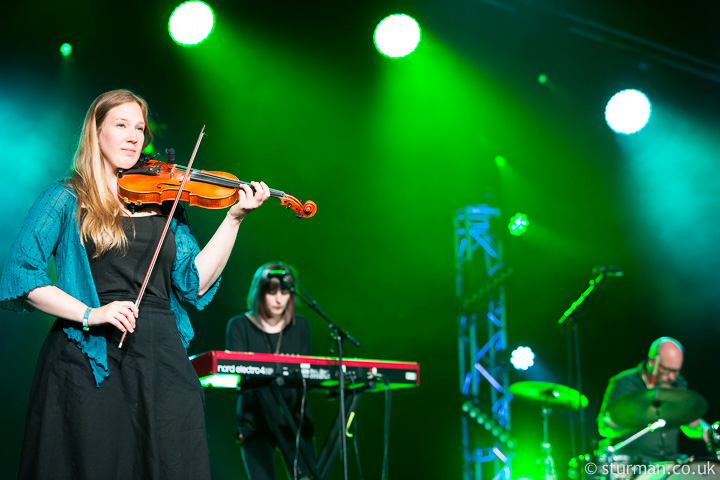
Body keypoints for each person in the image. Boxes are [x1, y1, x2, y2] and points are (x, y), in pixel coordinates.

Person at [0, 89, 270, 480]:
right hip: (88, 353)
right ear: (96, 133)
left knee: (174, 456)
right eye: (121, 125)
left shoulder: (165, 202)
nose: (133, 137)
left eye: (139, 128)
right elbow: (23, 274)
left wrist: (234, 220)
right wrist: (92, 313)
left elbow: (194, 282)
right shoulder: (66, 197)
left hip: (160, 353)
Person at [226, 262, 316, 480]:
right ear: (260, 292)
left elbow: (309, 375)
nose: (278, 299)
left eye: (285, 292)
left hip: (294, 419)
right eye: (272, 292)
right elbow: (234, 371)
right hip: (255, 421)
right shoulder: (239, 326)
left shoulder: (300, 326)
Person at [596, 336, 709, 464]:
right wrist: (635, 414)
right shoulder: (625, 383)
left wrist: (707, 430)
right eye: (667, 370)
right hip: (633, 465)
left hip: (670, 465)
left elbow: (691, 424)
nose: (672, 377)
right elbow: (604, 428)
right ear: (652, 362)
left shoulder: (678, 385)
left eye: (677, 371)